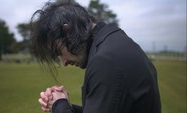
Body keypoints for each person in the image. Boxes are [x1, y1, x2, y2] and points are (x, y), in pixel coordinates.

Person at [30, 0, 162, 113]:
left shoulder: (106, 61)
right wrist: (64, 105)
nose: (63, 62)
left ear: (67, 30)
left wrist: (60, 106)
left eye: (59, 52)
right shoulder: (115, 41)